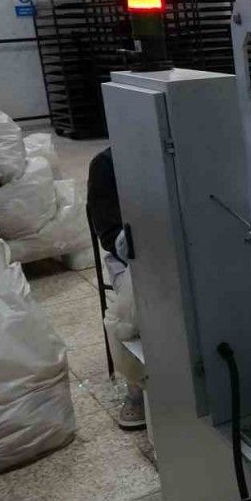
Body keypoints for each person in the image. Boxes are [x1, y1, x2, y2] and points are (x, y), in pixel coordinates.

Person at [87, 148, 147, 430]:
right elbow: (110, 235)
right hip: (128, 259)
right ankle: (137, 385)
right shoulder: (107, 164)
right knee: (134, 308)